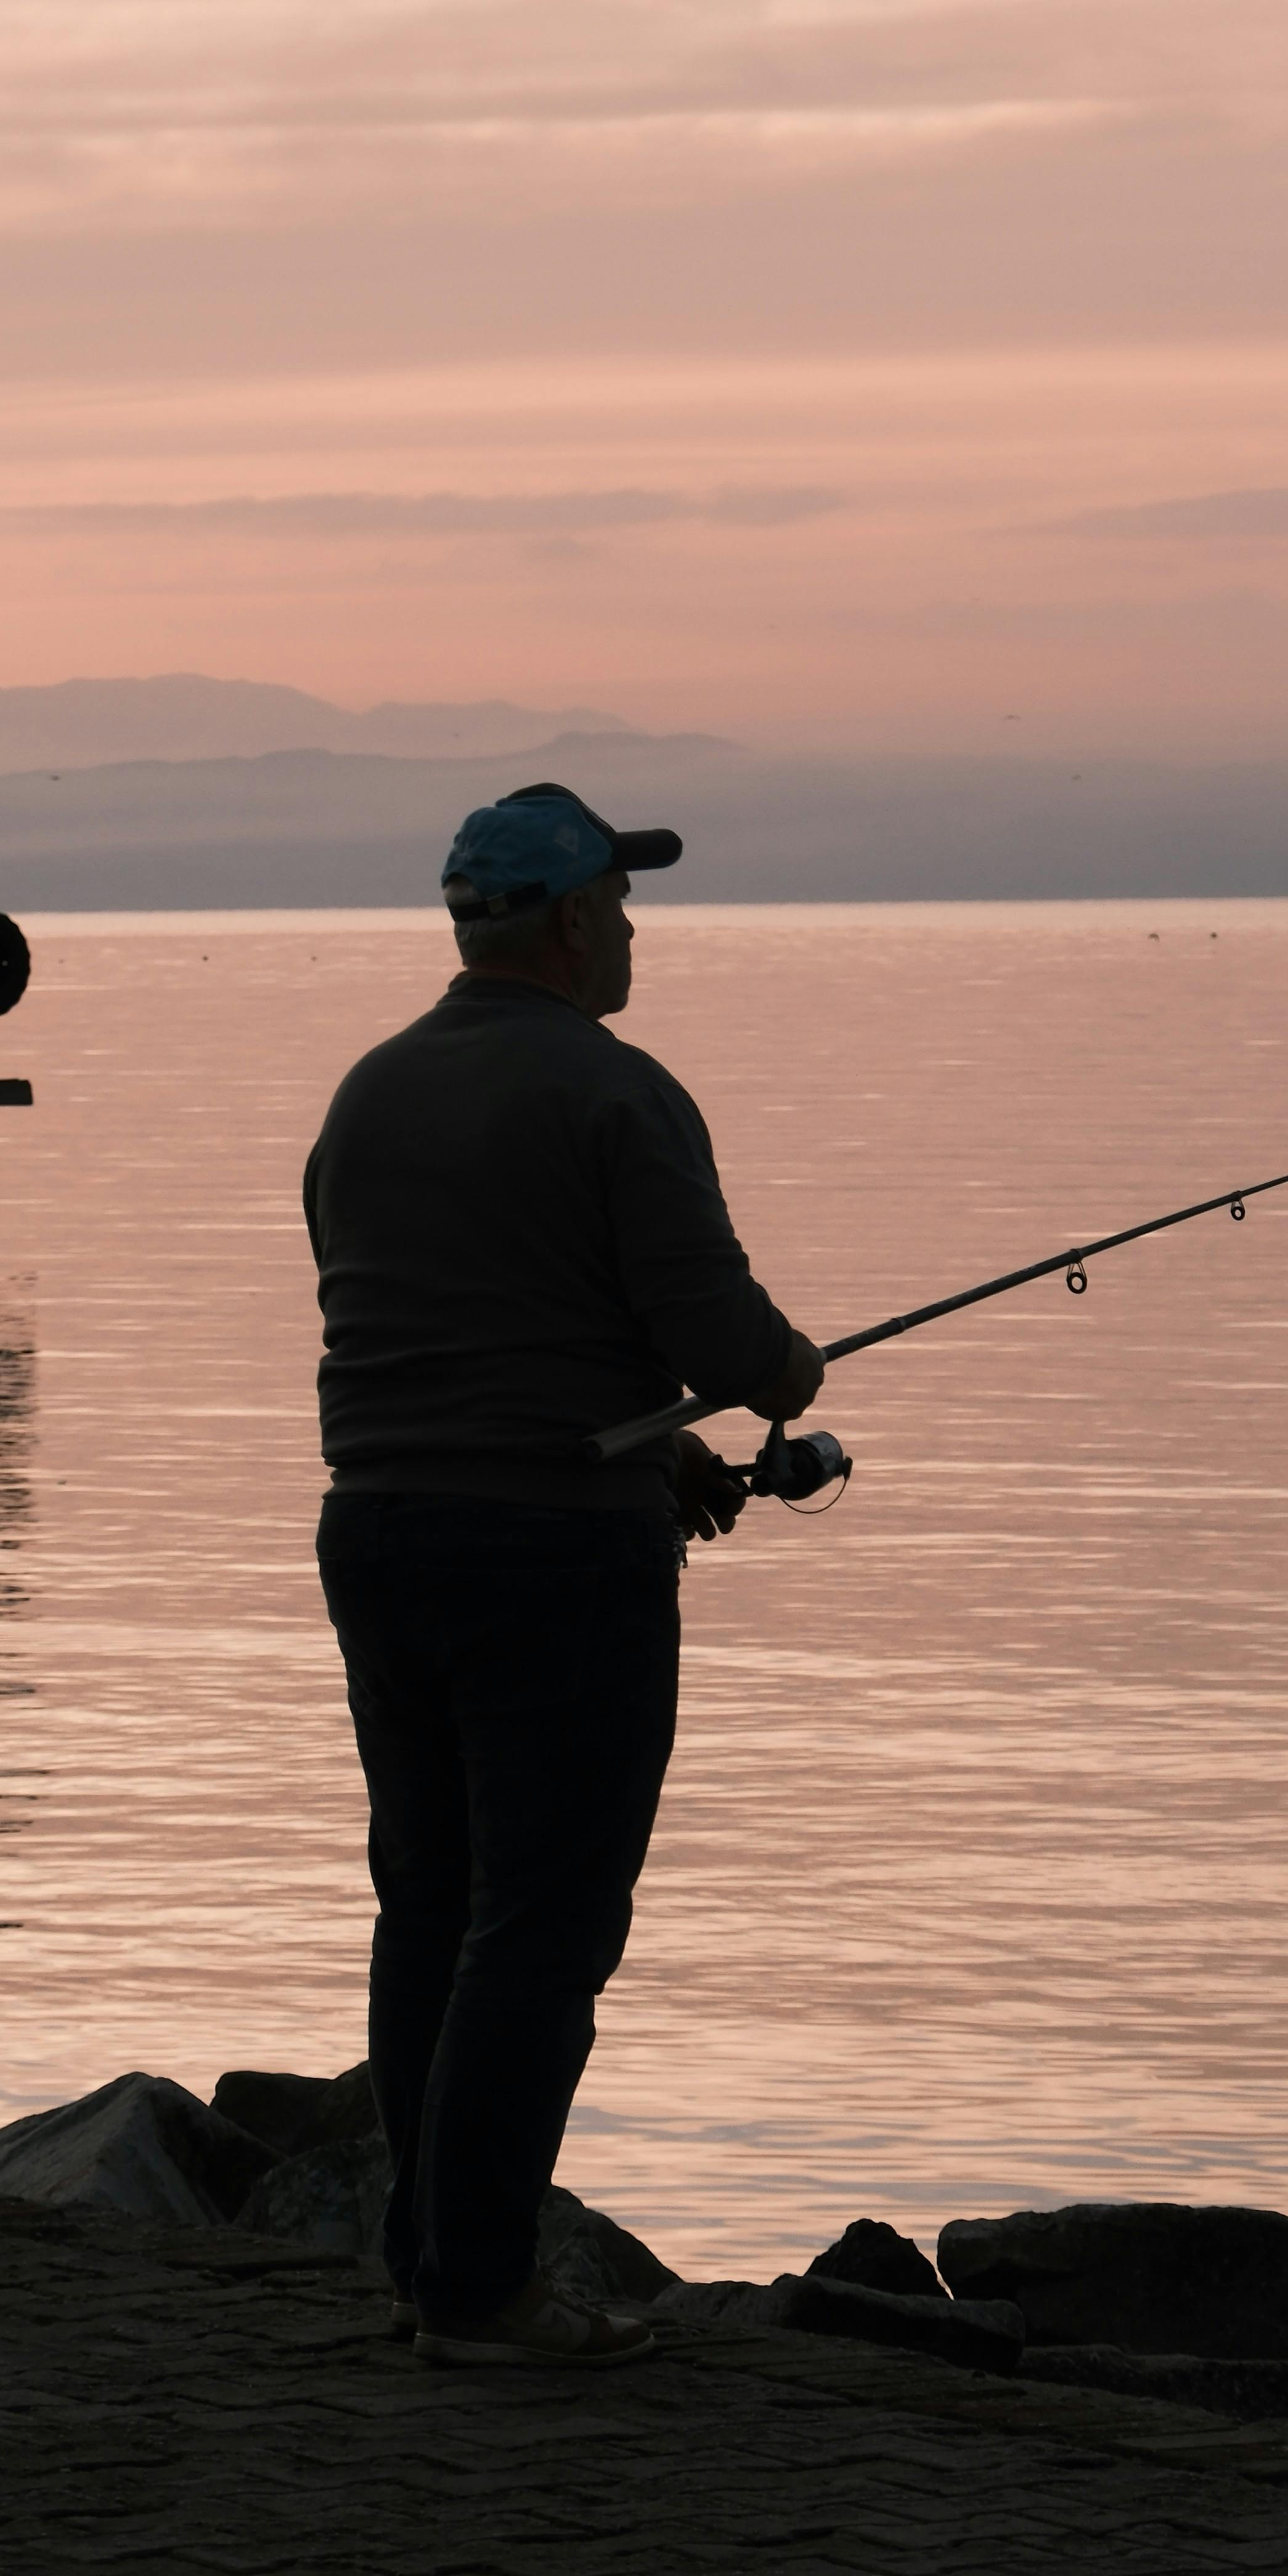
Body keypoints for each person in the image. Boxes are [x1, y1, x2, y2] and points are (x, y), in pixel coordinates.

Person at [304, 780, 823, 2370]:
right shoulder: (617, 1094)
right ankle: (482, 2293)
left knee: (431, 1908)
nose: (637, 933)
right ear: (577, 918)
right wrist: (787, 1379)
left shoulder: (373, 1091)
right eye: (626, 904)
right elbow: (727, 1342)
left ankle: (430, 2269)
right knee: (542, 1926)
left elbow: (461, 1336)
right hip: (552, 1560)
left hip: (380, 1533)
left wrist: (654, 1450)